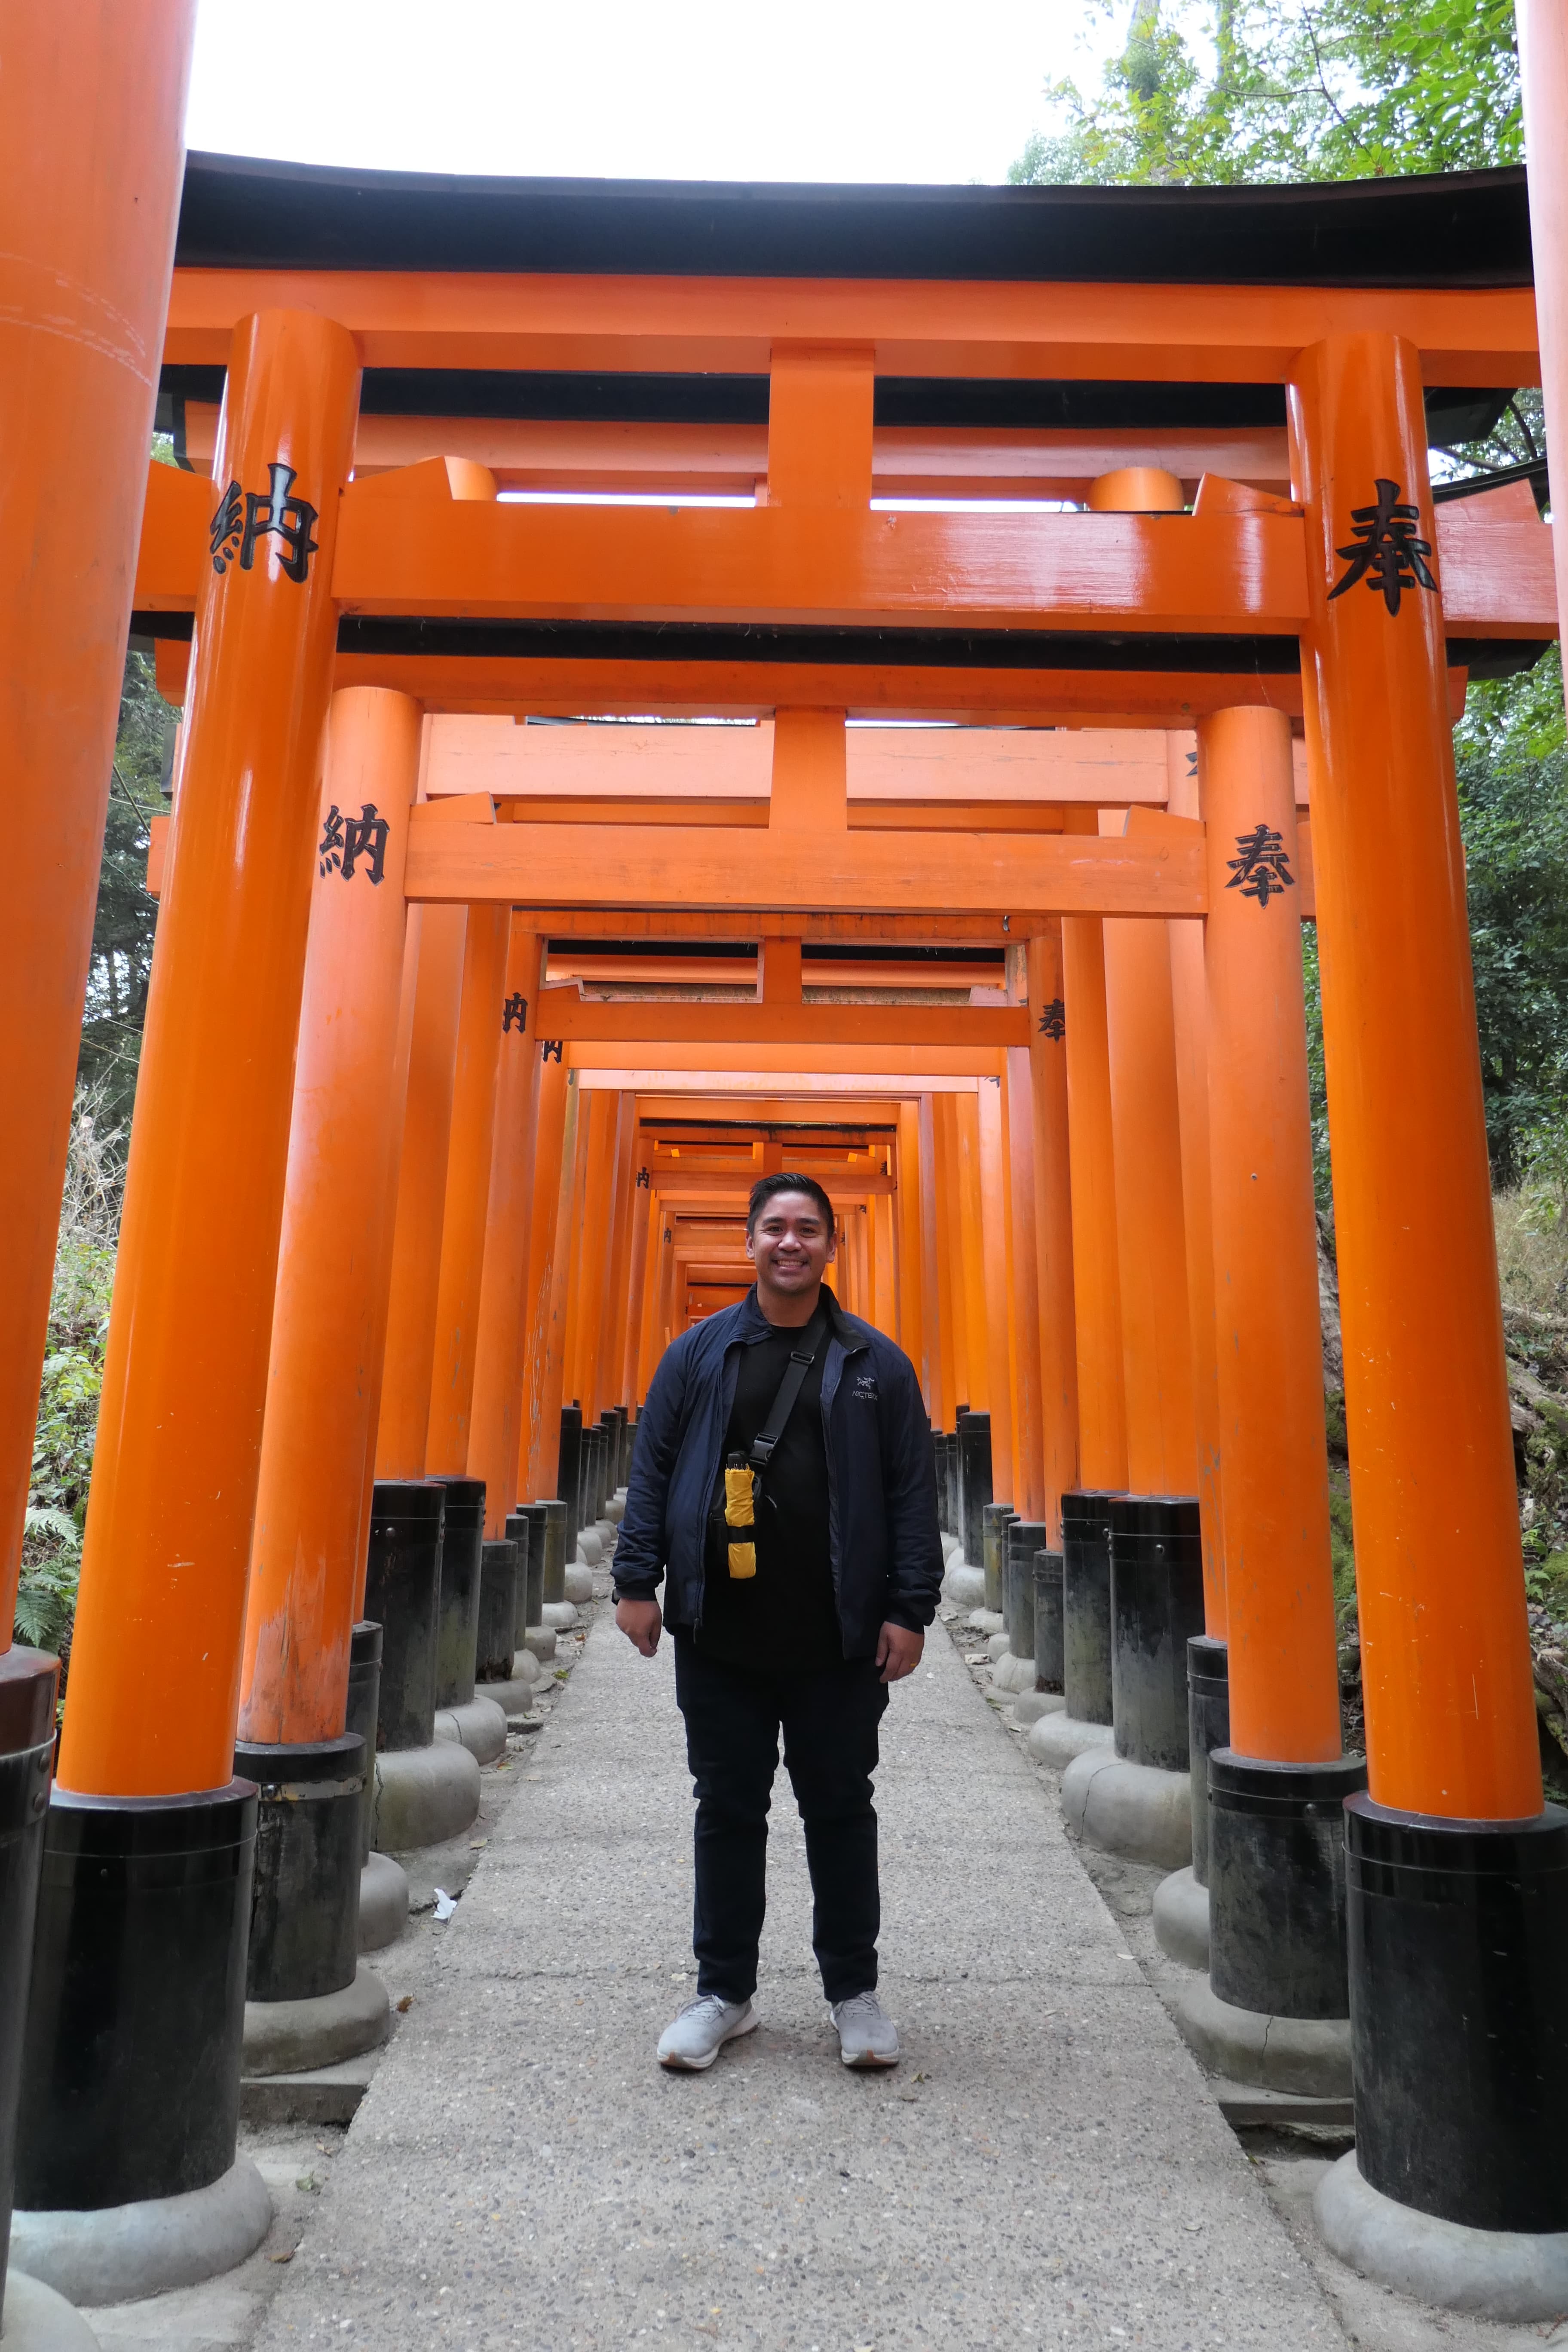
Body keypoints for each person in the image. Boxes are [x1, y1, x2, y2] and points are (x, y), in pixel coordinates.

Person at [612, 1171, 943, 2073]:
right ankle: (725, 1991)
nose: (789, 1243)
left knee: (839, 1808)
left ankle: (854, 1991)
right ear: (748, 1243)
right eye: (773, 1229)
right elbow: (654, 1468)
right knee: (727, 1807)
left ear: (831, 1247)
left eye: (807, 1230)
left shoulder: (876, 1364)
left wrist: (911, 1608)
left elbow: (914, 1492)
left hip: (838, 1636)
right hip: (721, 1628)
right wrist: (637, 1580)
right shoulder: (699, 1354)